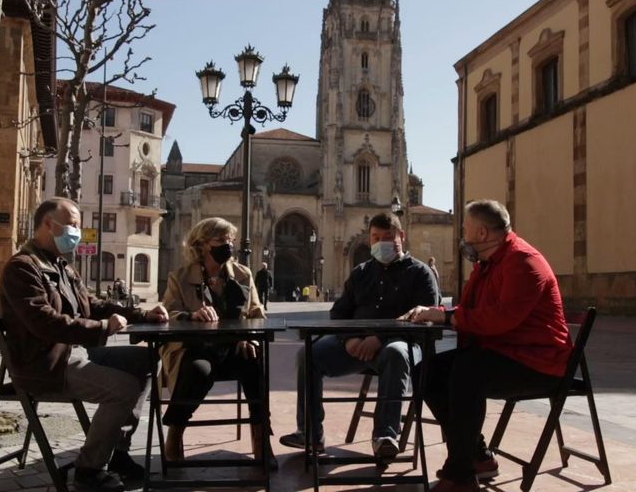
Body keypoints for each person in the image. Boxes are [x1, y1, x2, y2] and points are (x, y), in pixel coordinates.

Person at [0, 197, 169, 492]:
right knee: (124, 389)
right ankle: (89, 470)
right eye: (73, 225)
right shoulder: (22, 268)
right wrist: (102, 328)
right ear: (49, 224)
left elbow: (93, 304)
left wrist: (142, 314)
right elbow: (44, 322)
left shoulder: (61, 266)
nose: (77, 231)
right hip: (46, 364)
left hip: (72, 354)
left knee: (146, 360)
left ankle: (117, 451)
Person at [403, 199, 572, 492]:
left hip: (539, 363)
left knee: (467, 371)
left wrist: (447, 317)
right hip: (504, 352)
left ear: (481, 233)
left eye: (465, 229)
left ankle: (460, 475)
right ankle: (477, 455)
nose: (463, 237)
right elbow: (470, 309)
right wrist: (440, 314)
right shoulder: (489, 264)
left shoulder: (523, 262)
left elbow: (499, 319)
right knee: (427, 372)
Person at [279, 212, 440, 459]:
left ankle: (385, 436)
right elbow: (340, 312)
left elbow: (426, 319)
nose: (382, 242)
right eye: (376, 237)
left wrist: (381, 338)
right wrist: (351, 338)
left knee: (395, 353)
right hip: (356, 344)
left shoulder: (420, 274)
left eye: (389, 237)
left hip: (402, 344)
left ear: (402, 237)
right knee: (308, 354)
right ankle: (310, 433)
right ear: (369, 238)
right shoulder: (361, 273)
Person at [159, 217, 276, 468]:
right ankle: (175, 432)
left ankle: (260, 437)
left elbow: (257, 315)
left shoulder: (243, 275)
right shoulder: (179, 277)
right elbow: (168, 315)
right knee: (198, 372)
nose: (228, 245)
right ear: (202, 244)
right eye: (221, 240)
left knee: (255, 363)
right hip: (195, 349)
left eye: (230, 240)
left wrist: (250, 337)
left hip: (234, 348)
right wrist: (192, 316)